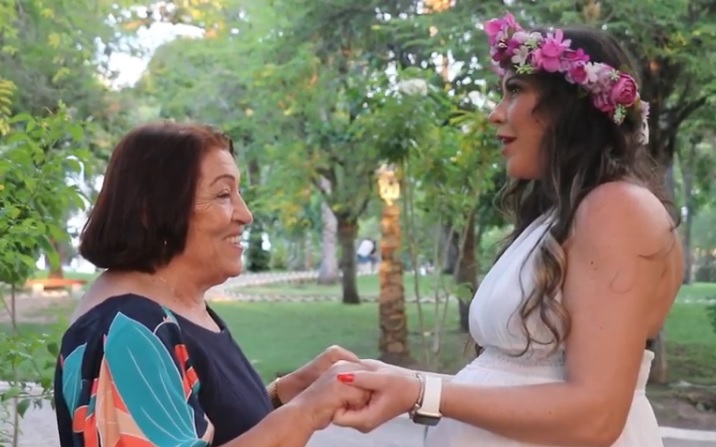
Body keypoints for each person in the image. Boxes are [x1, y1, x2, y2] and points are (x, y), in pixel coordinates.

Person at [330, 13, 684, 447]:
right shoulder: (566, 215)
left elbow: (597, 415)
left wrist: (424, 393)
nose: (495, 115)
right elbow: (515, 380)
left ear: (568, 104)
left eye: (514, 91)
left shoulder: (618, 209)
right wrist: (404, 382)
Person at [53, 122, 369, 447]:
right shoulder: (128, 331)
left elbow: (209, 426)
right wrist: (307, 411)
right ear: (152, 210)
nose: (245, 214)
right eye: (223, 194)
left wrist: (293, 389)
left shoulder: (175, 309)